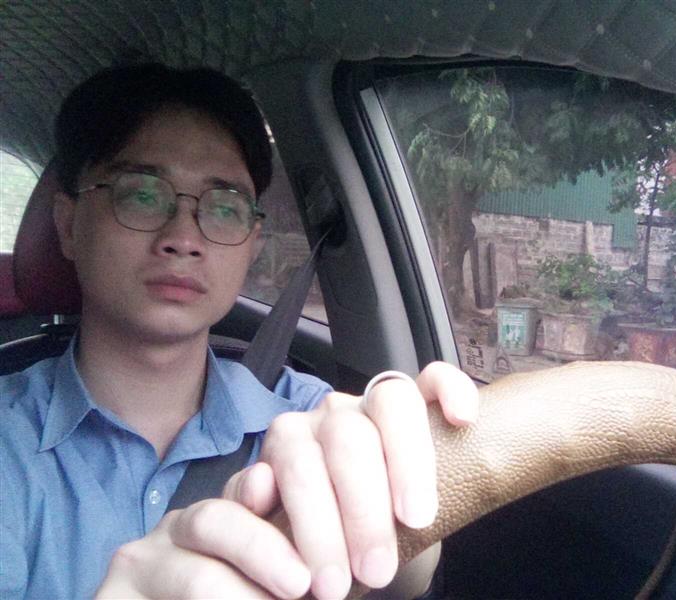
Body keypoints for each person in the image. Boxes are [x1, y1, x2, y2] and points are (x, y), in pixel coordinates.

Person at [0, 63, 479, 600]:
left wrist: (410, 525)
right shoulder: (8, 446)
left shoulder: (308, 417)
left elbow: (399, 564)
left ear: (252, 244)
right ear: (68, 225)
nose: (184, 238)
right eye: (142, 194)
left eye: (224, 207)